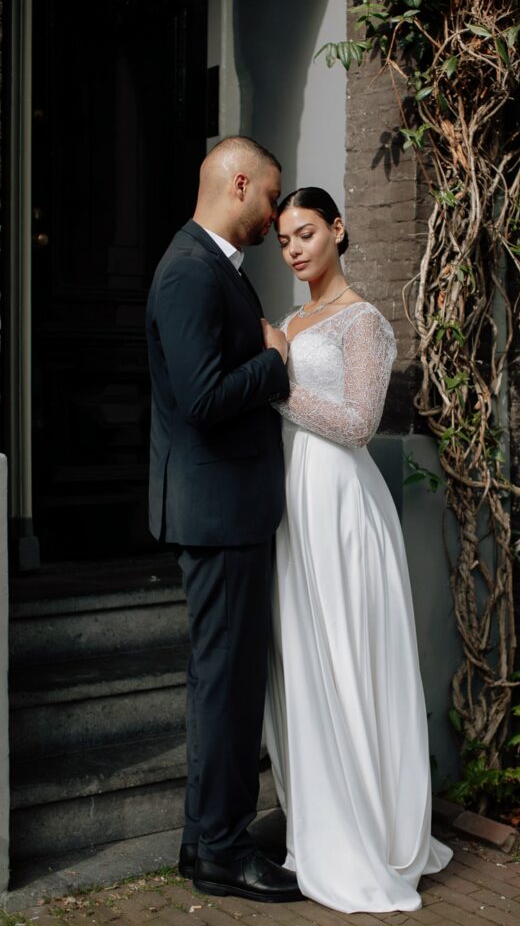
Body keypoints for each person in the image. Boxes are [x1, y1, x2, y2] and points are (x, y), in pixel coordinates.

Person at [262, 187, 453, 913]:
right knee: (307, 662)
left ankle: (368, 831)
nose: (294, 250)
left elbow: (356, 424)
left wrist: (277, 378)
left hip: (342, 504)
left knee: (348, 656)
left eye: (306, 233)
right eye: (284, 240)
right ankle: (319, 823)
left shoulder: (362, 321)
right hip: (293, 503)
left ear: (338, 230)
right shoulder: (292, 320)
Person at [145, 136, 304, 903]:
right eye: (270, 197)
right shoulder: (187, 271)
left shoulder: (214, 268)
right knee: (227, 687)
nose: (275, 216)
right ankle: (223, 850)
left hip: (228, 510)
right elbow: (203, 397)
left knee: (224, 683)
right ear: (238, 182)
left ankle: (201, 840)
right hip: (216, 513)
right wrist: (274, 363)